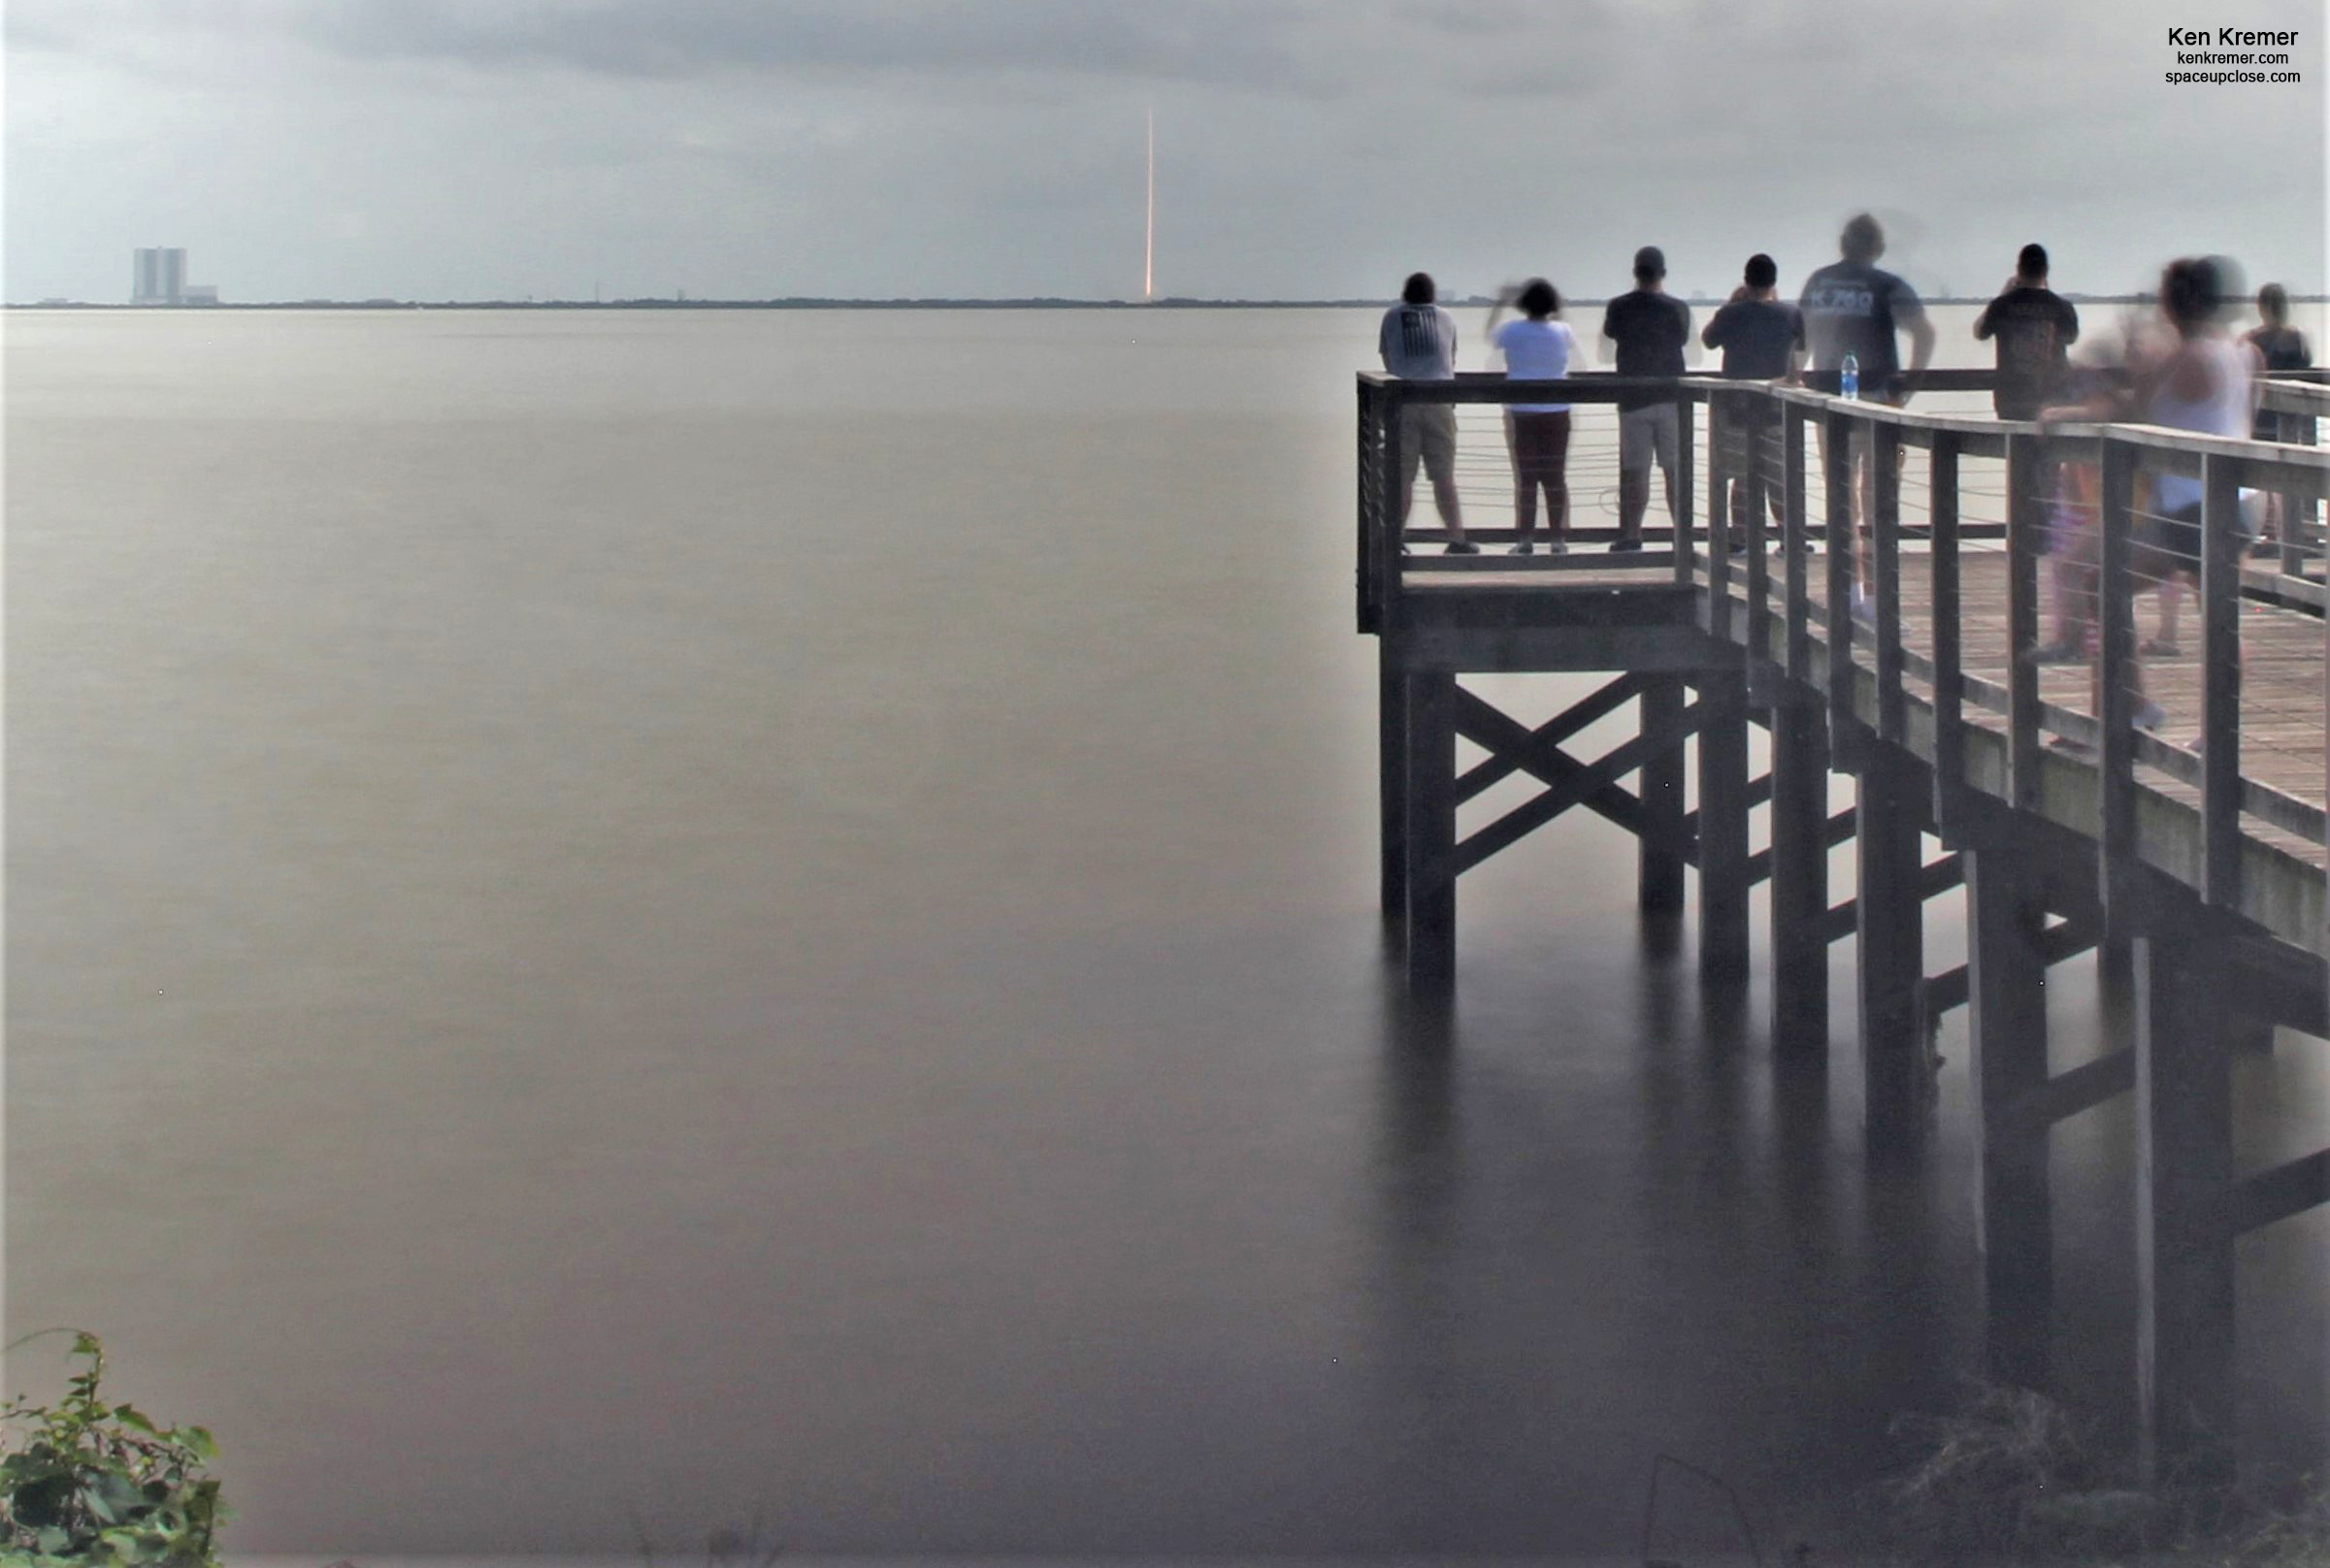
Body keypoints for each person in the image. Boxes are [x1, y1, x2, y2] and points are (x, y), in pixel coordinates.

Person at [1799, 213, 1936, 617]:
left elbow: (1800, 340)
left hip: (1827, 406)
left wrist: (1792, 376)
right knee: (1879, 502)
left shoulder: (1818, 282)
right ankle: (1875, 599)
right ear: (1877, 248)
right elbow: (1925, 333)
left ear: (1842, 244)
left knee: (1841, 500)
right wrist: (1910, 383)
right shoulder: (1885, 284)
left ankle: (1847, 593)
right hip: (1877, 401)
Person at [1699, 252, 1804, 550]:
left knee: (1740, 478)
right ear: (1774, 281)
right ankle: (1788, 540)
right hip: (1777, 408)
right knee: (1779, 478)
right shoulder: (1791, 314)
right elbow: (1801, 350)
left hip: (1737, 407)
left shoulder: (1730, 314)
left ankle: (1740, 539)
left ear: (1746, 280)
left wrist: (1733, 306)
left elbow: (1708, 339)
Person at [1599, 245, 1692, 552]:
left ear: (1635, 272)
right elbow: (1682, 338)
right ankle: (1683, 537)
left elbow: (1611, 333)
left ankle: (1631, 536)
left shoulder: (1618, 307)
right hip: (1670, 397)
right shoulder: (1678, 308)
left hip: (1633, 398)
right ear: (1663, 273)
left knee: (1635, 471)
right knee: (1674, 472)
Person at [1378, 272, 1478, 554]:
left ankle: (1395, 540)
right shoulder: (1446, 317)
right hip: (1440, 401)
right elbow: (1451, 359)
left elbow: (1387, 359)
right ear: (1432, 294)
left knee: (1401, 477)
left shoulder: (1391, 316)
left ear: (1405, 293)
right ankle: (1457, 540)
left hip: (1402, 403)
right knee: (1444, 476)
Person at [1485, 278, 1578, 554]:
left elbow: (1490, 335)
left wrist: (1500, 303)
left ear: (1523, 304)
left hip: (1523, 411)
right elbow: (1565, 331)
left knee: (1526, 478)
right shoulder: (1563, 330)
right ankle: (1558, 540)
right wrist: (1558, 306)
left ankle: (1525, 539)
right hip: (1558, 412)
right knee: (1555, 476)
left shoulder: (1512, 330)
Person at [1974, 244, 2079, 421]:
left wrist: (2004, 292)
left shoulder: (2002, 305)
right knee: (2052, 449)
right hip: (2052, 399)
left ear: (2018, 270)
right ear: (2045, 271)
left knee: (2015, 448)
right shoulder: (2062, 307)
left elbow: (1979, 332)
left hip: (2011, 399)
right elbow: (2071, 338)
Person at [2245, 282, 2313, 553]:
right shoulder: (2296, 339)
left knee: (2263, 483)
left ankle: (2269, 536)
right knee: (2288, 483)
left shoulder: (2251, 340)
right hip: (2295, 421)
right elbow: (2306, 368)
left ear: (2260, 307)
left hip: (2261, 420)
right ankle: (2291, 537)